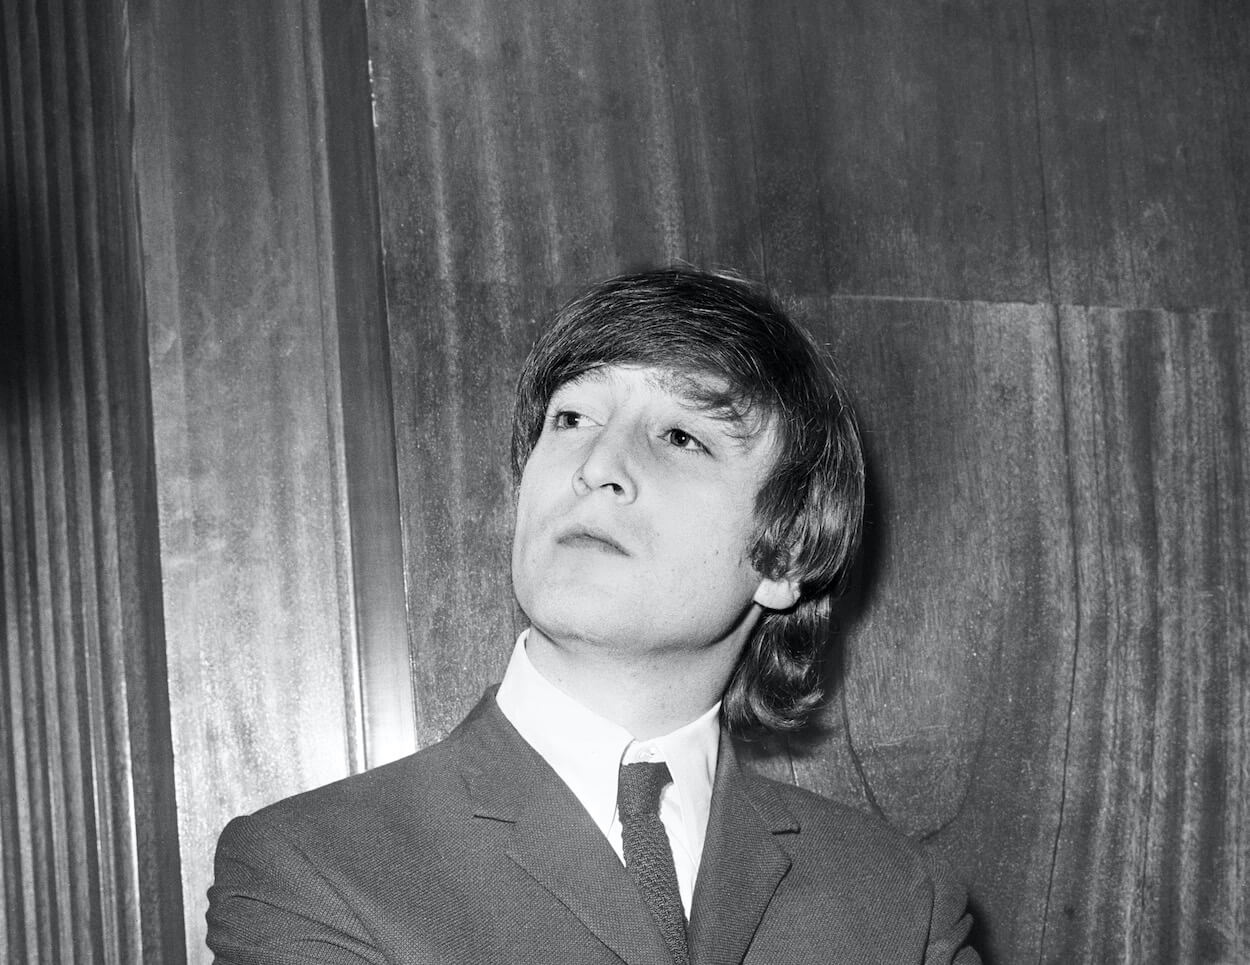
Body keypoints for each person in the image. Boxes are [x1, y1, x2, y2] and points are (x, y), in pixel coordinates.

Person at [206, 266, 980, 964]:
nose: (597, 467)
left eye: (680, 436)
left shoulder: (900, 902)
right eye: (571, 420)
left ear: (787, 556)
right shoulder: (312, 869)